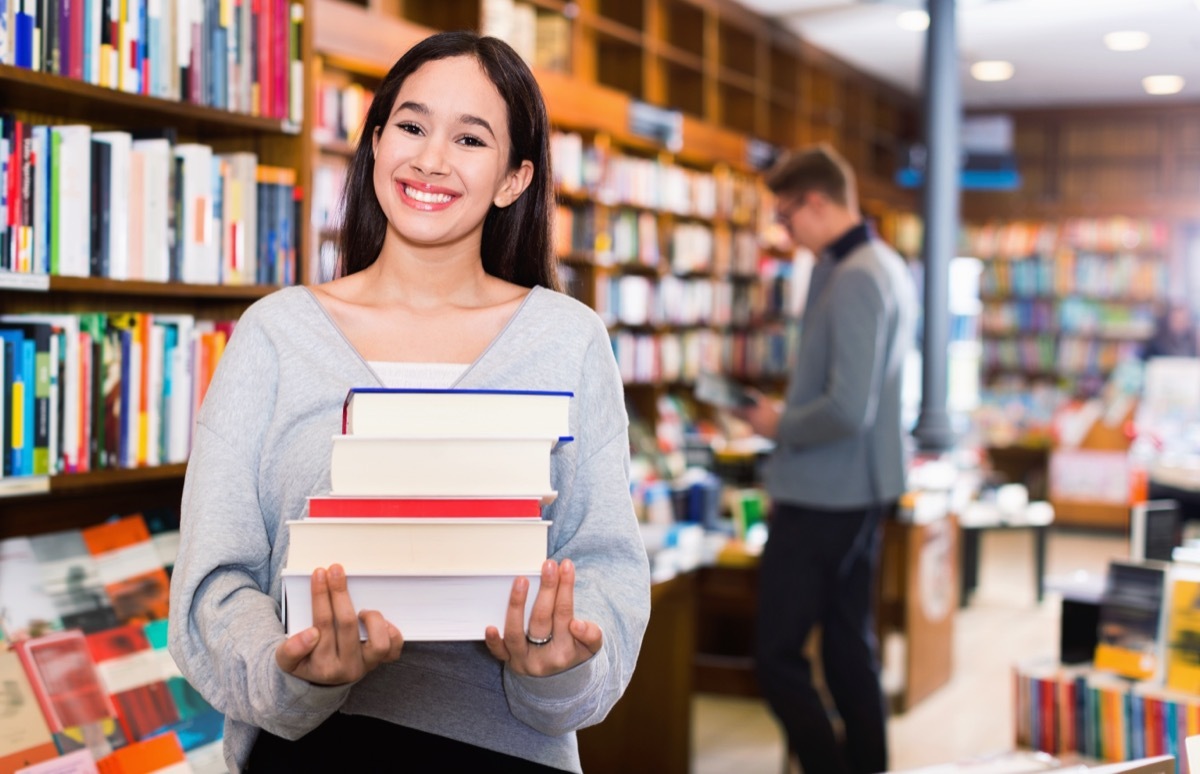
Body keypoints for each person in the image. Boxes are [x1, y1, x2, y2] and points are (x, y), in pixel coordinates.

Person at [167, 31, 651, 774]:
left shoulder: (569, 339)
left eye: (470, 138)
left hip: (504, 751)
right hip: (308, 750)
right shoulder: (275, 334)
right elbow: (214, 580)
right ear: (376, 142)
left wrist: (558, 666)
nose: (430, 159)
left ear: (514, 179)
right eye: (412, 126)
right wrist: (289, 669)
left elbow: (606, 569)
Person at [735, 144, 917, 774]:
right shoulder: (882, 263)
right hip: (855, 489)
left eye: (786, 217)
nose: (785, 233)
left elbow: (846, 408)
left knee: (778, 658)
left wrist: (775, 422)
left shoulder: (857, 274)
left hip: (826, 493)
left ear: (815, 202)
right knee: (845, 647)